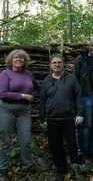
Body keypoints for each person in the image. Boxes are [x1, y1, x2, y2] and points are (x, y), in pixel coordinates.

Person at [40, 54, 84, 181]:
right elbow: (42, 100)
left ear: (63, 64)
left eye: (59, 62)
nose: (57, 65)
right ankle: (61, 170)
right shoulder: (46, 80)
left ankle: (76, 168)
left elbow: (78, 96)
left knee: (72, 144)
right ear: (50, 65)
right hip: (52, 119)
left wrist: (80, 113)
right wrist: (42, 119)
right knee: (55, 145)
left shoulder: (71, 78)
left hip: (68, 118)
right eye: (54, 63)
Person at [0, 49, 35, 180]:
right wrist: (22, 95)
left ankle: (26, 167)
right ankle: (3, 169)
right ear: (11, 60)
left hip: (24, 111)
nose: (19, 60)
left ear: (25, 60)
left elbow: (37, 87)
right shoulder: (5, 73)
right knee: (6, 141)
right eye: (16, 58)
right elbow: (2, 93)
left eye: (21, 58)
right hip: (6, 109)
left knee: (25, 140)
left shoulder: (28, 74)